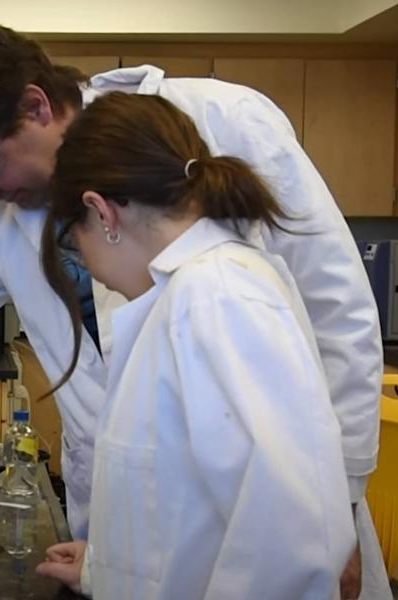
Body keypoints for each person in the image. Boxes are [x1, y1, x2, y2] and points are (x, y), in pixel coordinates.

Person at [0, 20, 387, 598]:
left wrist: (344, 506)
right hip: (133, 534)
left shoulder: (223, 143)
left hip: (264, 537)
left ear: (35, 107)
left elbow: (339, 317)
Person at [33, 89, 355, 600]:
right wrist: (110, 564)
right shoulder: (184, 296)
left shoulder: (217, 297)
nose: (87, 263)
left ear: (101, 213)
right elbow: (193, 506)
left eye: (75, 239)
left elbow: (290, 538)